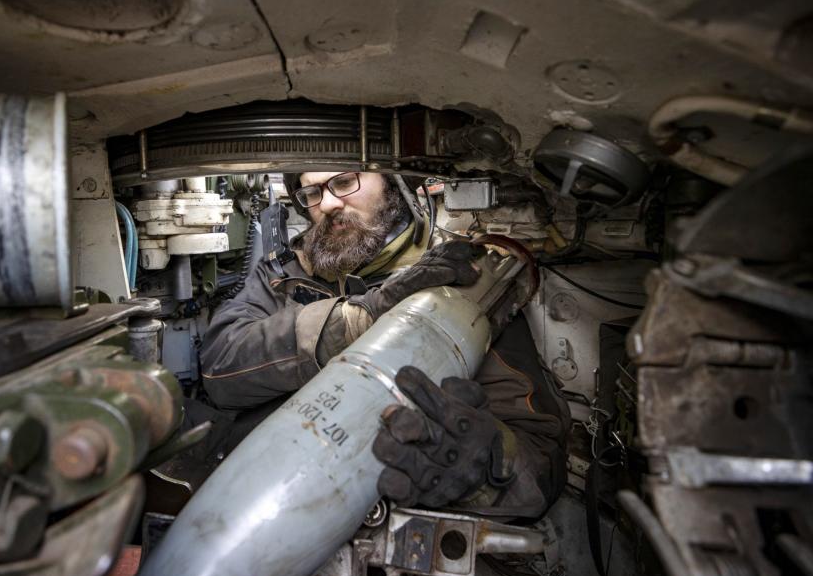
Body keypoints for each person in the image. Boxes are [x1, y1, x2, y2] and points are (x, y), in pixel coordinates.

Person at [195, 171, 570, 518]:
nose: (326, 204)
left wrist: (485, 471)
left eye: (343, 183)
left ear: (394, 185)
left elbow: (540, 472)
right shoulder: (285, 274)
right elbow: (220, 369)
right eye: (311, 193)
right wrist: (360, 319)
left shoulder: (460, 284)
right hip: (258, 501)